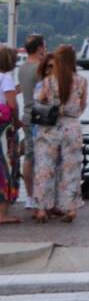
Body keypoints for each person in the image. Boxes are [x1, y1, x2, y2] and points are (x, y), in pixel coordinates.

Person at [33, 44, 87, 223]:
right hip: (71, 126)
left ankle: (42, 209)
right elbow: (82, 106)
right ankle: (70, 209)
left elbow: (41, 100)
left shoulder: (49, 80)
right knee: (71, 168)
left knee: (44, 167)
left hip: (50, 127)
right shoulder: (81, 80)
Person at [18, 33, 45, 211]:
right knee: (43, 158)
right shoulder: (39, 69)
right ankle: (41, 197)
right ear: (39, 48)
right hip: (40, 116)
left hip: (26, 114)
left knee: (28, 156)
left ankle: (29, 196)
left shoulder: (22, 68)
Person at [0, 45, 22, 224]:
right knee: (7, 166)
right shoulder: (5, 78)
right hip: (4, 129)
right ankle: (2, 213)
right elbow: (11, 104)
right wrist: (17, 121)